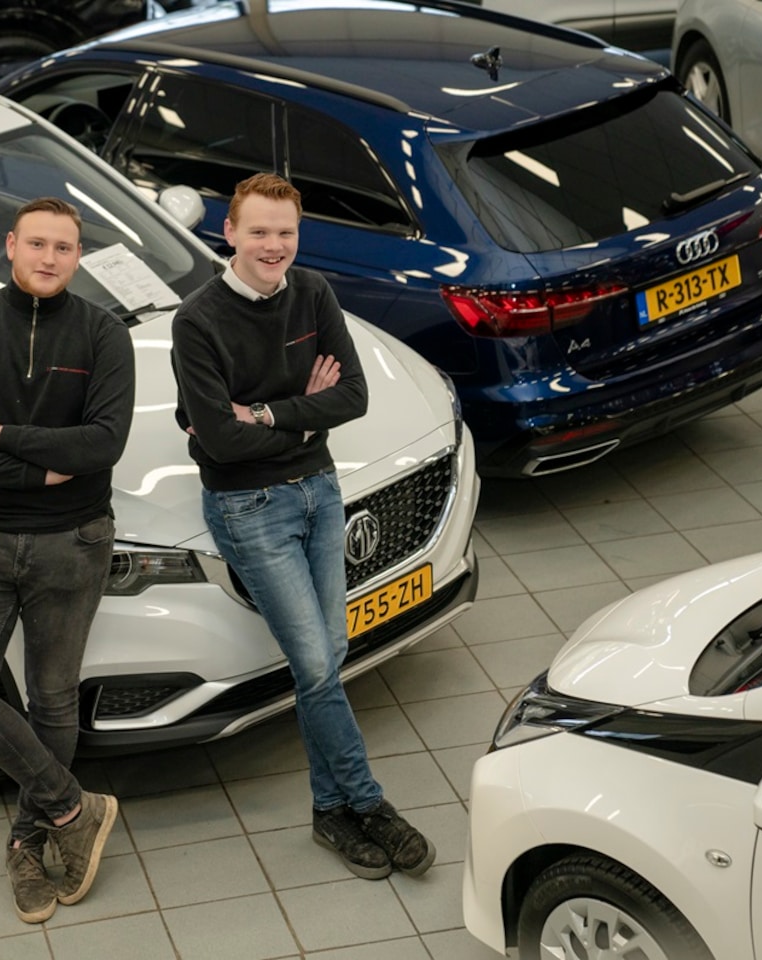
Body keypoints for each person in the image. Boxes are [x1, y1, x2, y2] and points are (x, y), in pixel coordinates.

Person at [170, 174, 436, 881]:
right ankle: (369, 803)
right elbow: (219, 443)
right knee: (316, 664)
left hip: (320, 490)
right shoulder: (197, 322)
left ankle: (328, 811)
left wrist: (264, 414)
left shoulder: (312, 292)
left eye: (285, 232)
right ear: (229, 232)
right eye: (259, 231)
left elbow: (353, 395)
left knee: (328, 656)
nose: (273, 246)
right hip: (249, 507)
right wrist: (302, 413)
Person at [0, 197, 134, 924]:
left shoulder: (104, 334)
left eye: (64, 248)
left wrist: (1, 435)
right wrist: (44, 468)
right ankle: (75, 808)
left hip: (74, 541)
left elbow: (103, 444)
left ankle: (27, 842)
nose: (49, 258)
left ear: (78, 256)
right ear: (10, 245)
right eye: (37, 244)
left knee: (51, 697)